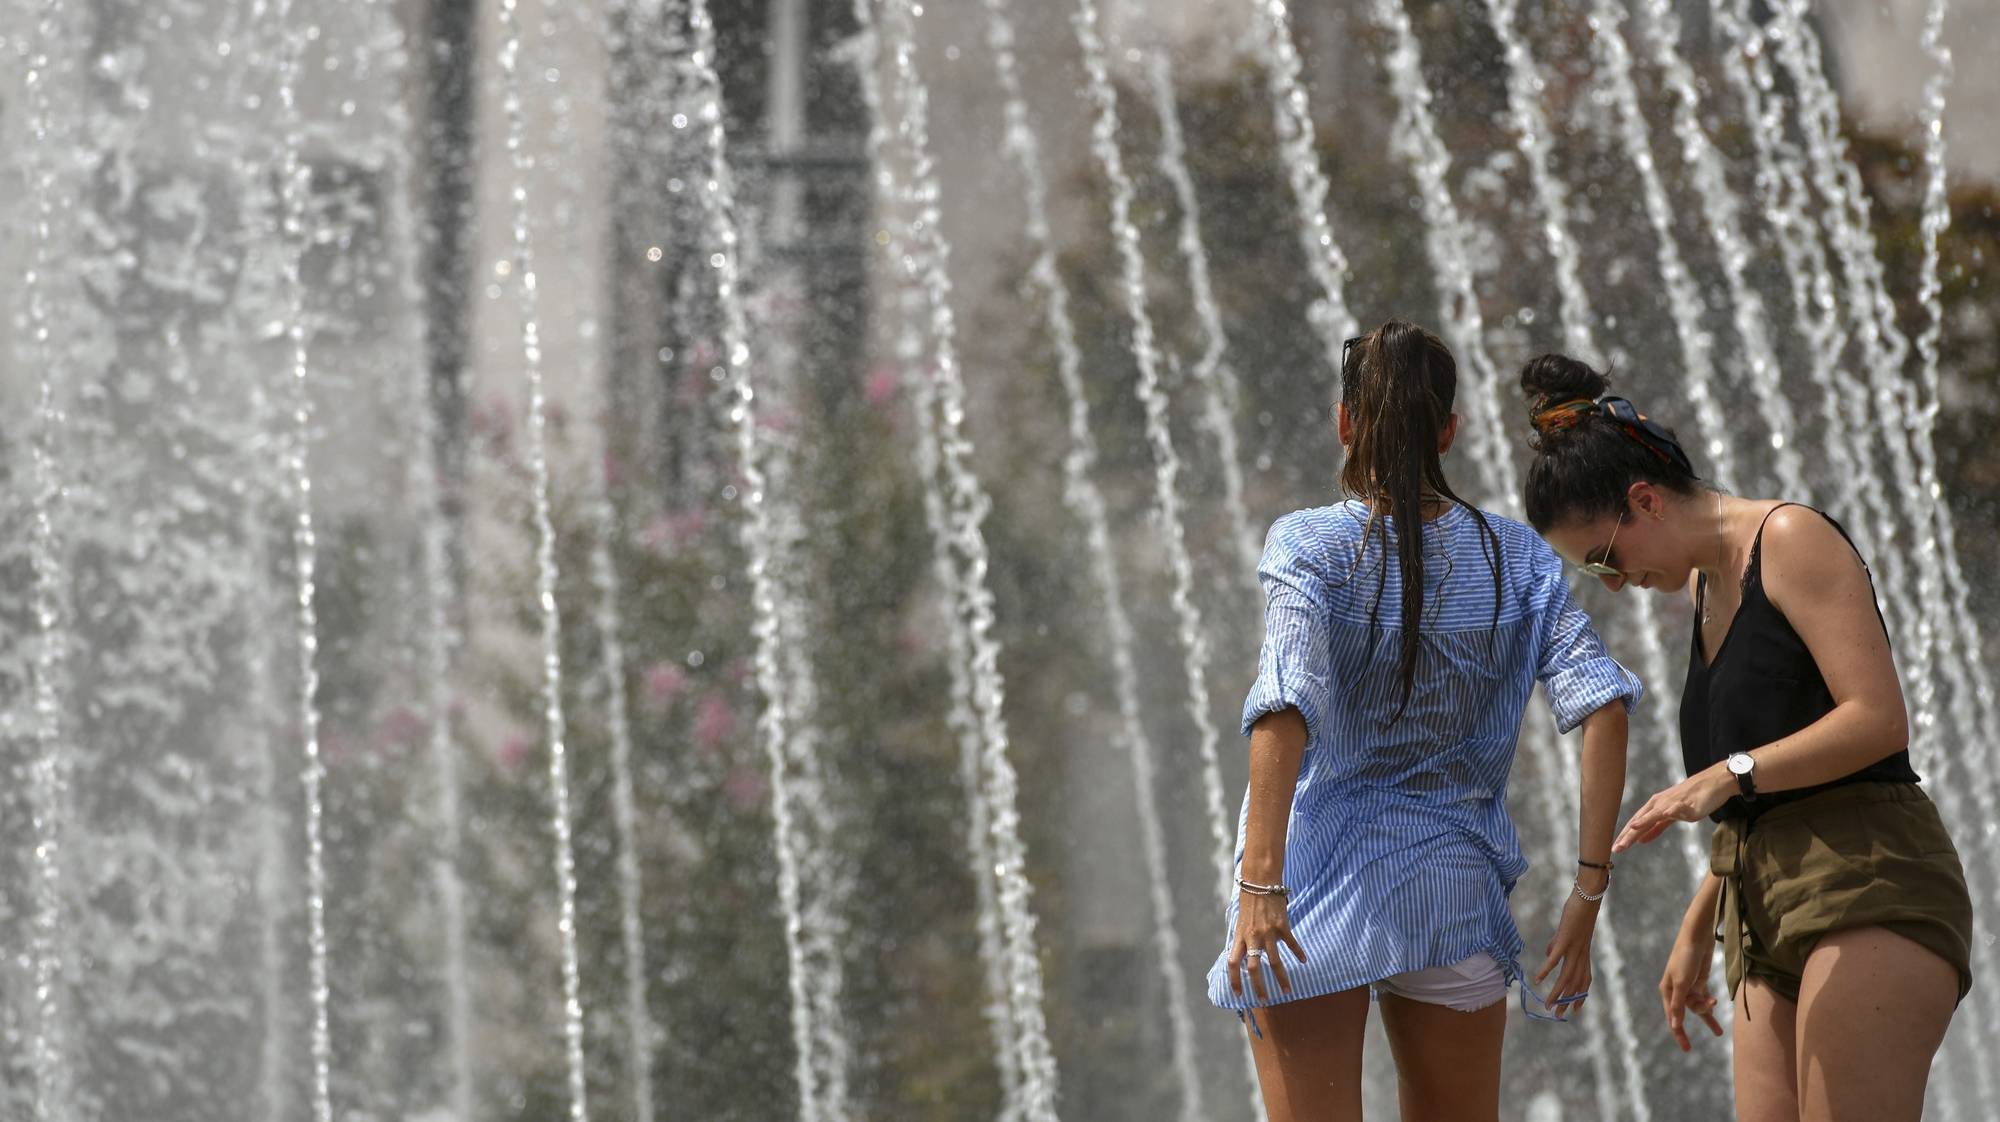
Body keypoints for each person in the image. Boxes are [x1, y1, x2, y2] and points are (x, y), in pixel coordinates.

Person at [1518, 353, 1974, 1121]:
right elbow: (1760, 791)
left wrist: (1727, 772)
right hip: (1759, 909)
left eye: (1604, 559)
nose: (1616, 584)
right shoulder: (1702, 588)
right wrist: (1700, 922)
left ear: (1645, 501)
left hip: (1865, 878)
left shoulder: (1789, 538)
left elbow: (1877, 718)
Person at [1208, 321, 1639, 1122]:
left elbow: (1285, 704)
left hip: (1309, 890)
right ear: (1449, 429)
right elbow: (1604, 705)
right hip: (1449, 889)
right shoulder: (1519, 556)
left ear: (1345, 422)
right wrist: (1587, 891)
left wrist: (1261, 883)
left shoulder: (1308, 545)